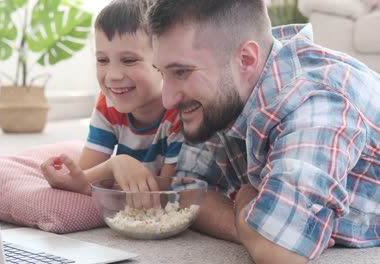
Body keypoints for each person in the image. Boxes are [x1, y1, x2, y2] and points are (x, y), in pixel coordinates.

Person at [147, 0, 380, 263]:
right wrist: (251, 220)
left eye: (181, 72)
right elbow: (186, 190)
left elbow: (278, 252)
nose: (167, 99)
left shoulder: (316, 101)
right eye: (163, 73)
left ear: (246, 59)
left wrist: (251, 207)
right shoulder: (224, 92)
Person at [40, 0, 183, 197]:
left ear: (164, 59)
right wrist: (114, 165)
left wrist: (112, 168)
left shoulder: (180, 112)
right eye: (102, 60)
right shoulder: (108, 104)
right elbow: (82, 177)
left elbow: (165, 195)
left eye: (129, 60)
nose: (113, 76)